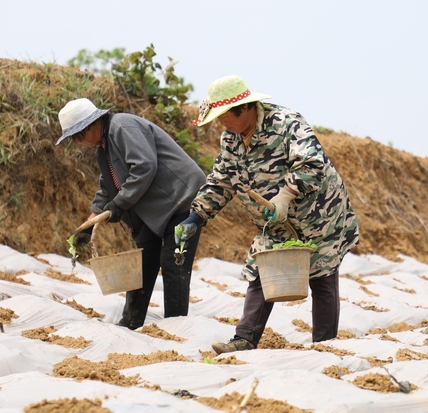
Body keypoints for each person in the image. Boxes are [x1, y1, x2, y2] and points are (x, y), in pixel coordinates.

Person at [175, 75, 359, 354]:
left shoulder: (287, 123)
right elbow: (222, 180)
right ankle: (245, 339)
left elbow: (312, 163)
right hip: (275, 221)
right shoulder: (232, 139)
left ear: (245, 108)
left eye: (225, 116)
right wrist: (196, 217)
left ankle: (324, 346)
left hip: (318, 214)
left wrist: (285, 196)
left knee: (321, 274)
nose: (222, 124)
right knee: (261, 271)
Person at [56, 98, 206, 329]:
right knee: (142, 264)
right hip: (156, 210)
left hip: (181, 200)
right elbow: (108, 186)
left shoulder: (122, 127)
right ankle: (130, 322)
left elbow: (145, 166)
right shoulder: (103, 151)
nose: (78, 142)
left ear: (90, 126)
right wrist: (89, 223)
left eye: (77, 136)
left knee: (173, 265)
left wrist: (120, 203)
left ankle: (176, 329)